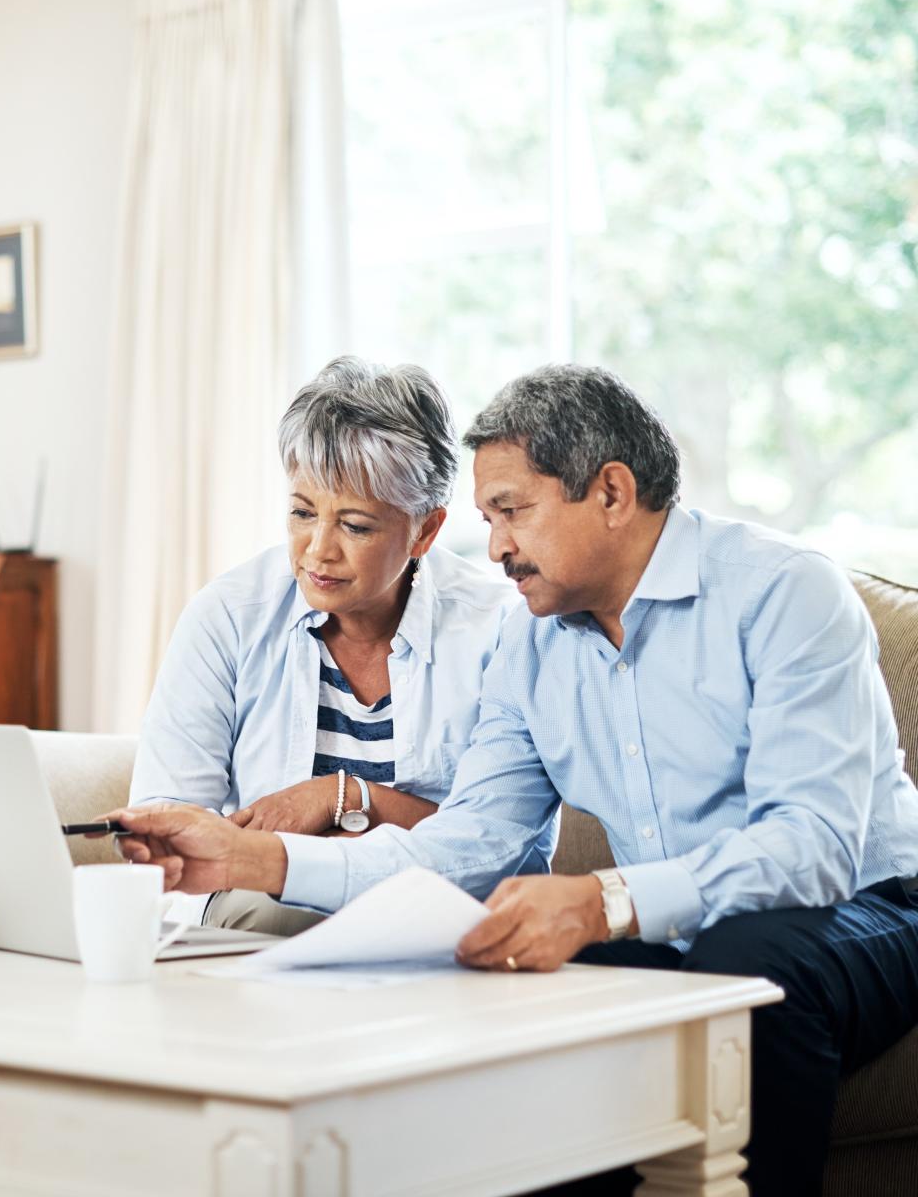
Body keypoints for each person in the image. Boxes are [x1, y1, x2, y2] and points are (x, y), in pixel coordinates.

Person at [110, 363, 918, 1195]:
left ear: (610, 492)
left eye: (511, 512)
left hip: (871, 903)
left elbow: (811, 852)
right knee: (530, 1008)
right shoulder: (528, 643)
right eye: (487, 518)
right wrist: (255, 862)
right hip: (686, 930)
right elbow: (470, 843)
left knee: (744, 965)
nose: (494, 546)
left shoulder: (784, 593)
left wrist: (602, 900)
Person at [125, 354, 552, 935]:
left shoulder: (499, 629)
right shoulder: (228, 616)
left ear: (424, 530)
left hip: (439, 918)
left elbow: (500, 847)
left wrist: (344, 796)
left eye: (354, 525)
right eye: (302, 512)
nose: (316, 550)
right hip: (262, 918)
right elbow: (170, 822)